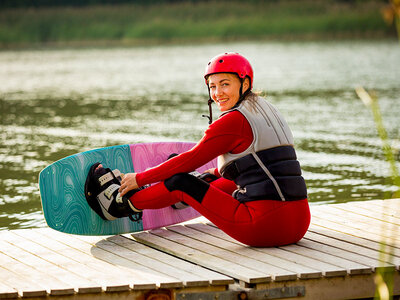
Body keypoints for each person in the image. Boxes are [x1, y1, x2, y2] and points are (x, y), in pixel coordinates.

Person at [85, 52, 310, 247]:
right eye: (212, 86)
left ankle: (117, 205)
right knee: (224, 179)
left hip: (263, 227)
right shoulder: (267, 109)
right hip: (298, 224)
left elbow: (188, 161)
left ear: (245, 84)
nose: (217, 93)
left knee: (181, 182)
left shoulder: (234, 121)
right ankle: (186, 198)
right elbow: (260, 164)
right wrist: (210, 175)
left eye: (225, 84)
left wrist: (140, 179)